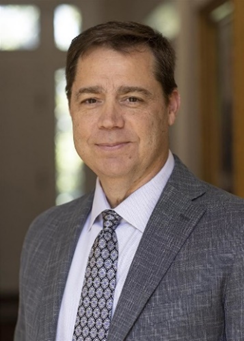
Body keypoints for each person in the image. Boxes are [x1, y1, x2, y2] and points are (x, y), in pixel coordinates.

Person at [15, 21, 244, 341]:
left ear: (171, 106)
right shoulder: (44, 234)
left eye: (132, 99)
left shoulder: (235, 231)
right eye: (91, 100)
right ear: (71, 109)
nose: (110, 121)